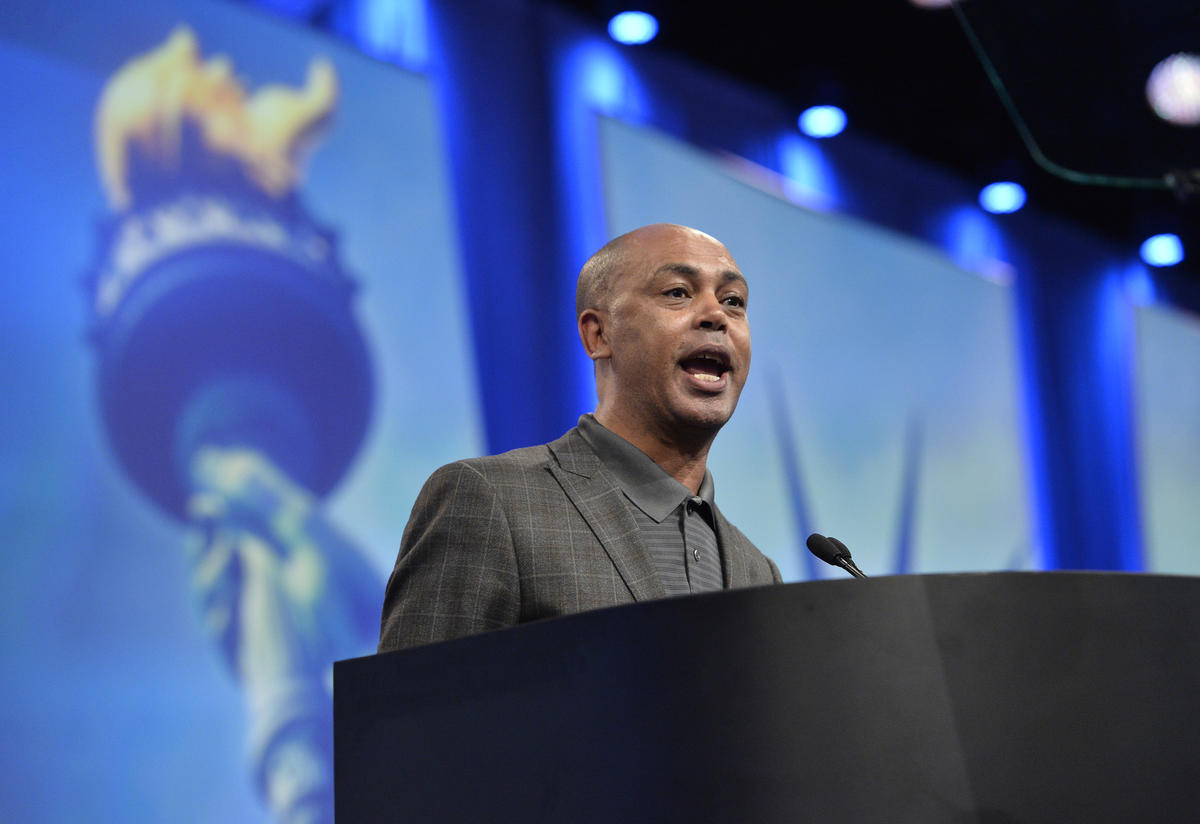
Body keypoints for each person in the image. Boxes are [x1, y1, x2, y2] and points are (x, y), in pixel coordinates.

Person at [378, 223, 781, 652]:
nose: (716, 315)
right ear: (598, 334)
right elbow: (411, 715)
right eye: (677, 292)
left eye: (733, 301)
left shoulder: (758, 572)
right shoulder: (490, 501)